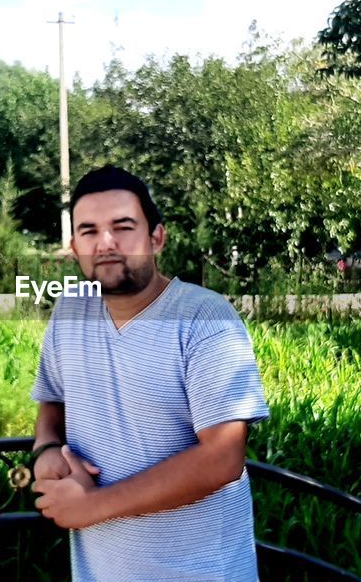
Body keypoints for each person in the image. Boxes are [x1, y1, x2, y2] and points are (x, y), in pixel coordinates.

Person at [30, 165, 270, 581]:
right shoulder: (69, 312)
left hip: (202, 571)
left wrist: (90, 508)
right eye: (88, 231)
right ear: (74, 246)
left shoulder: (205, 318)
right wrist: (46, 451)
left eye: (122, 227)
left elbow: (223, 458)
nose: (105, 243)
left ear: (156, 237)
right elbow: (52, 402)